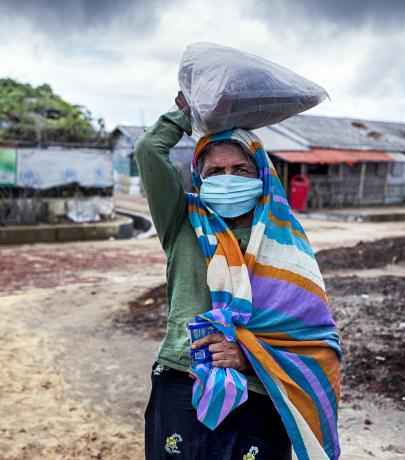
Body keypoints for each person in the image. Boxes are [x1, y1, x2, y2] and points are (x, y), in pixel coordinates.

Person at [134, 91, 341, 460]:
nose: (227, 179)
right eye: (215, 171)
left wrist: (249, 356)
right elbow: (149, 151)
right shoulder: (181, 220)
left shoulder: (285, 243)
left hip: (259, 391)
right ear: (199, 177)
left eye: (240, 170)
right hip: (183, 378)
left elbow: (313, 339)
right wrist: (185, 111)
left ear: (261, 173)